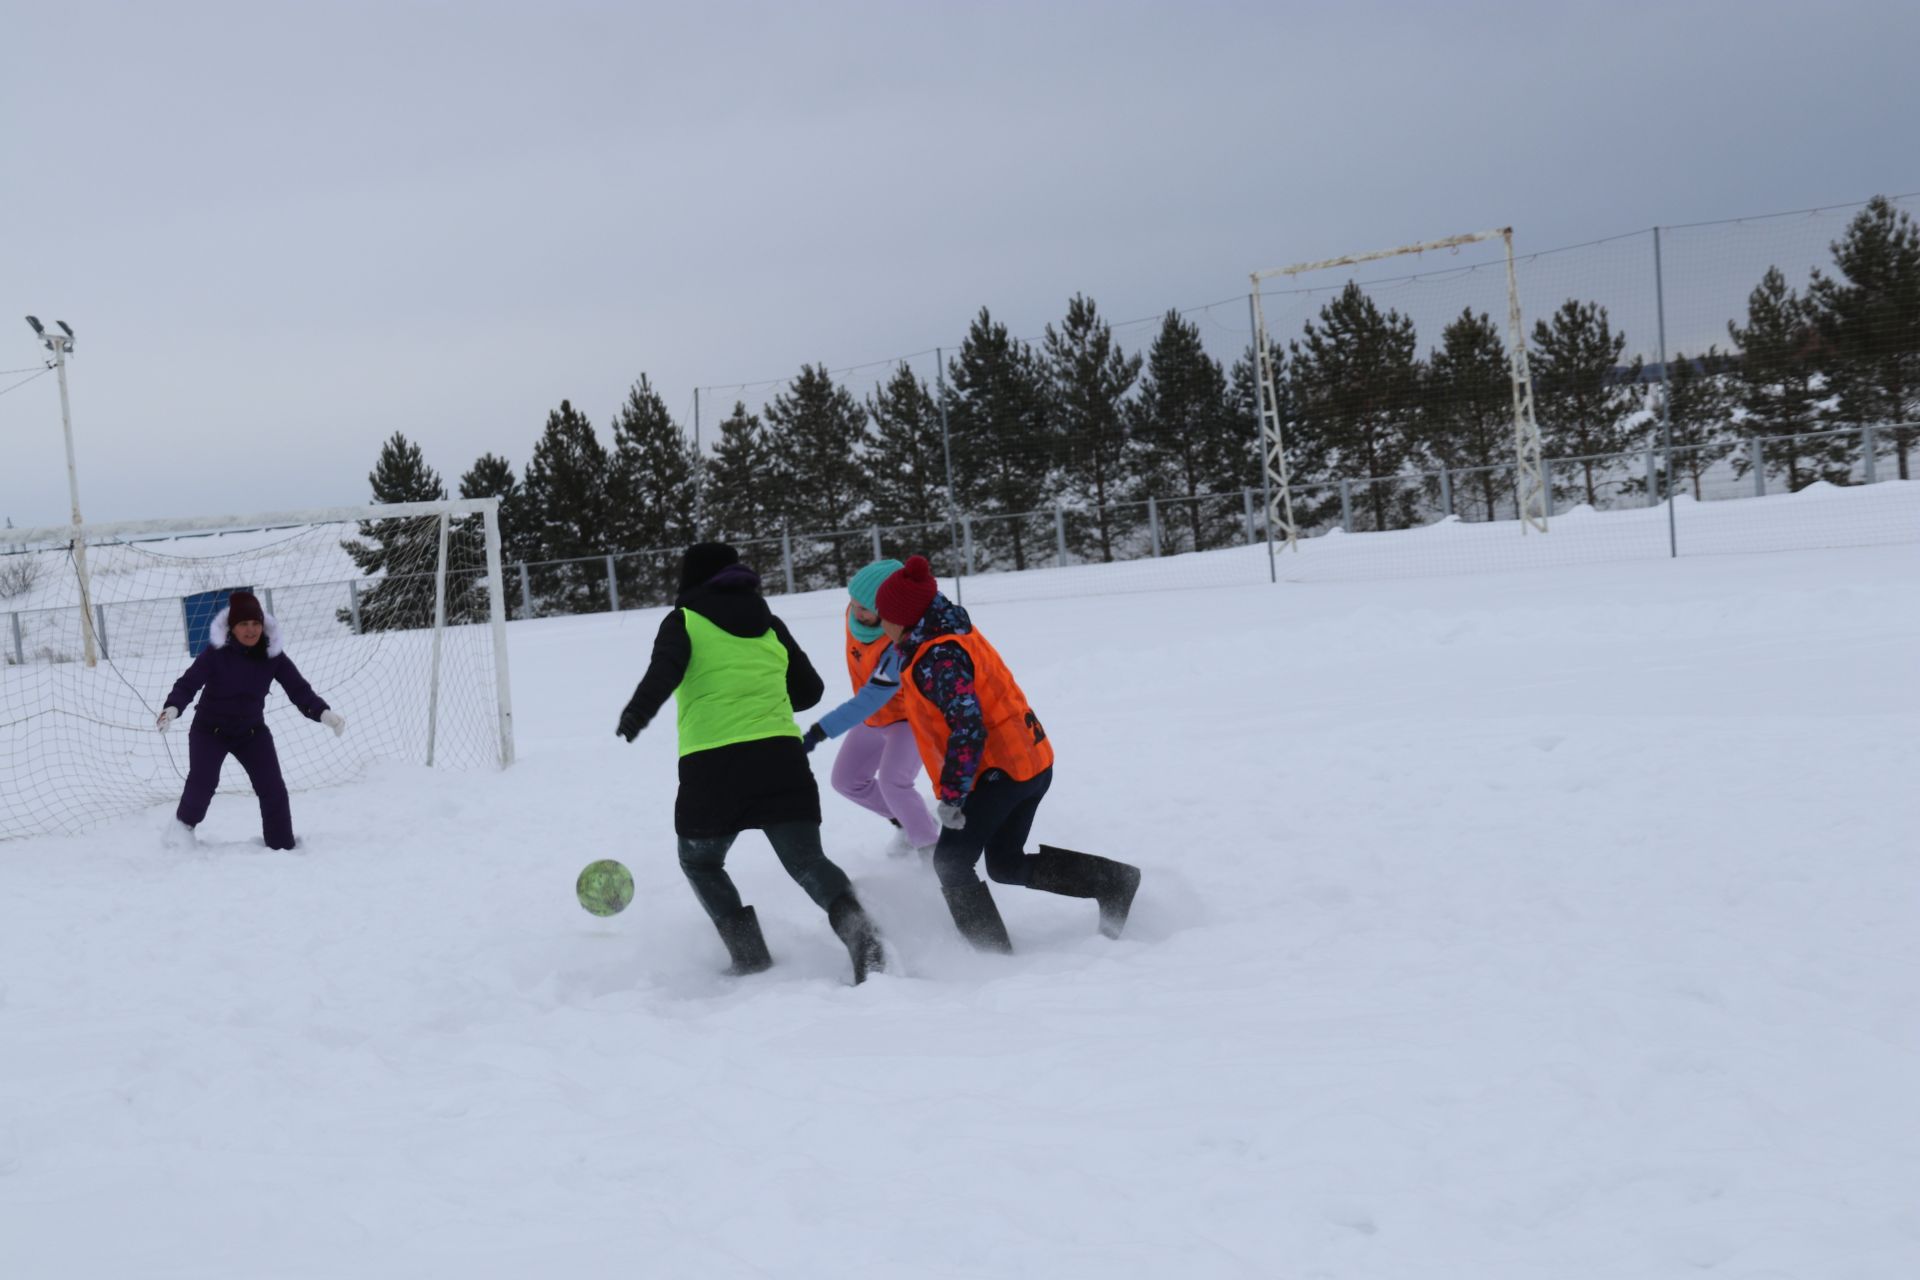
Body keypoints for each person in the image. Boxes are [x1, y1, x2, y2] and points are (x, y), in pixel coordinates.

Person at [616, 542, 886, 983]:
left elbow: (664, 671)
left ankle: (750, 957)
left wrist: (636, 714)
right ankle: (864, 937)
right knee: (808, 863)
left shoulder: (683, 620)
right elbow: (810, 691)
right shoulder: (770, 622)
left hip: (713, 766)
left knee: (701, 863)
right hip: (782, 758)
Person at [869, 555, 1141, 952]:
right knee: (1004, 864)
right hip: (1028, 761)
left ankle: (990, 956)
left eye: (884, 617)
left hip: (999, 774)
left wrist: (954, 795)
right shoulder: (951, 633)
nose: (882, 625)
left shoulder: (937, 657)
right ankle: (1113, 882)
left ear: (904, 617)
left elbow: (968, 727)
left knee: (950, 862)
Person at [157, 590, 346, 851]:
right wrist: (173, 708)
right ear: (232, 627)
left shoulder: (272, 655)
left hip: (251, 732)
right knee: (203, 781)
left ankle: (282, 846)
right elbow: (189, 683)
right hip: (209, 730)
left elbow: (298, 689)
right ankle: (181, 831)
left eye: (255, 623)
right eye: (243, 624)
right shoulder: (216, 653)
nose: (250, 630)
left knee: (273, 788)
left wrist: (323, 713)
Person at [797, 559, 940, 860]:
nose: (857, 612)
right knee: (847, 781)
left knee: (894, 783)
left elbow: (872, 696)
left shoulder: (899, 644)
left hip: (909, 718)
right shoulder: (854, 615)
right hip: (876, 719)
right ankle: (913, 821)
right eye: (853, 603)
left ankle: (931, 852)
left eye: (866, 608)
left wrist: (819, 732)